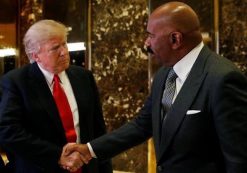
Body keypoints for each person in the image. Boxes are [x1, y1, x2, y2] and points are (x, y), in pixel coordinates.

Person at [62, 1, 247, 173]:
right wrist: (89, 149)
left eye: (151, 35)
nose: (146, 43)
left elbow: (239, 158)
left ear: (176, 39)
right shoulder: (164, 75)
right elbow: (142, 125)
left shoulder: (222, 78)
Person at [0, 19, 112, 173]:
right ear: (36, 55)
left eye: (65, 44)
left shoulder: (83, 77)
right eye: (55, 48)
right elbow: (8, 131)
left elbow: (98, 130)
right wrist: (57, 156)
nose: (64, 52)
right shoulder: (16, 82)